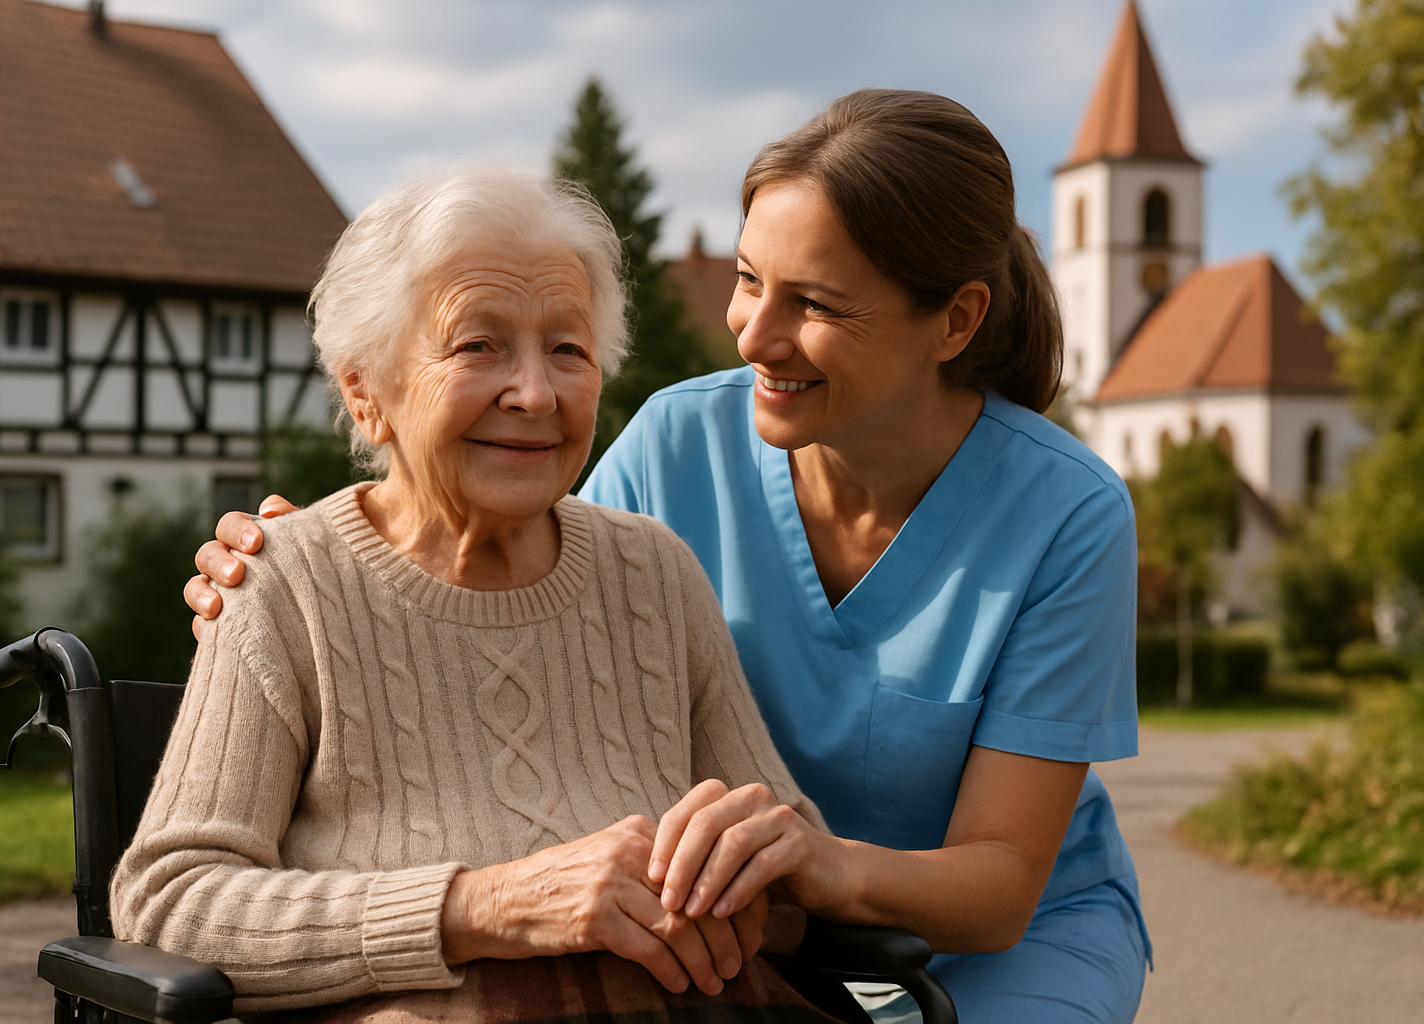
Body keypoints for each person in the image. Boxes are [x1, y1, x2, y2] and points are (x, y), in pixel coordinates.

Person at [190, 91, 1150, 1024]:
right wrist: (327, 552)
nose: (754, 335)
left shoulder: (1066, 514)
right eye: (747, 279)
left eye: (813, 302)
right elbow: (511, 577)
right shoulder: (675, 443)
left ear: (955, 320)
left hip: (991, 940)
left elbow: (1000, 886)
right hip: (760, 927)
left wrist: (818, 864)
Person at [115, 167, 849, 1023]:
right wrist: (484, 906)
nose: (535, 393)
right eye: (478, 345)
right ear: (365, 392)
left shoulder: (657, 573)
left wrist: (750, 870)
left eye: (568, 350)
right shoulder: (283, 585)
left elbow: (797, 880)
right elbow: (171, 901)